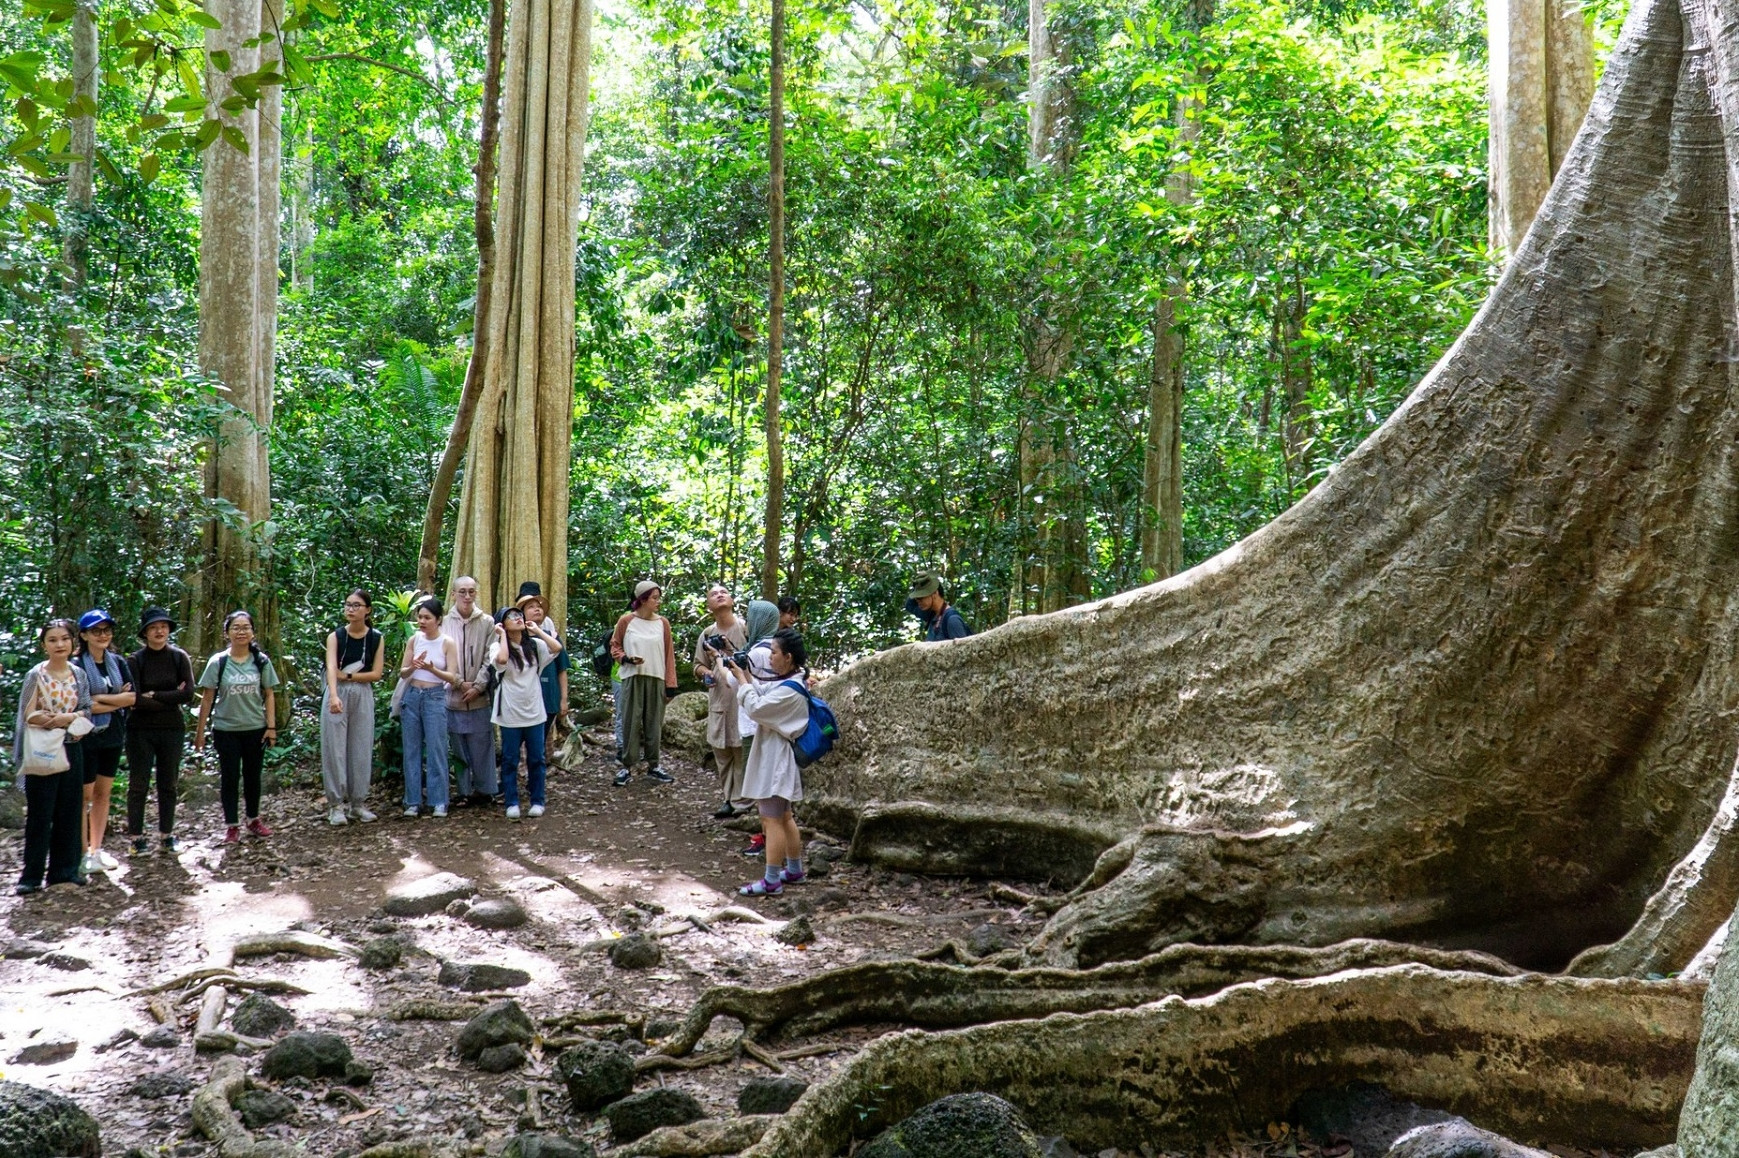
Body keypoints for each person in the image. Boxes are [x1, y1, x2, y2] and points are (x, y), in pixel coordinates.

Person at [724, 627, 811, 897]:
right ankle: (794, 870)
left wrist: (742, 680)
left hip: (776, 761)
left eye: (773, 652)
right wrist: (746, 676)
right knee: (785, 817)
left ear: (787, 657)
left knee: (771, 819)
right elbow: (764, 696)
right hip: (778, 757)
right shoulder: (792, 683)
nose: (770, 657)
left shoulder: (791, 690)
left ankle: (772, 879)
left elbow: (758, 709)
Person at [14, 619, 92, 894]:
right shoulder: (36, 675)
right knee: (40, 813)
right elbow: (27, 713)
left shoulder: (79, 674)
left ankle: (64, 872)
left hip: (72, 747)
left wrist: (69, 718)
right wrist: (55, 720)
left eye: (64, 639)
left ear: (73, 642)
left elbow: (86, 708)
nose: (59, 644)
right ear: (44, 645)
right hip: (42, 749)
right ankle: (31, 876)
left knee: (70, 811)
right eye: (52, 640)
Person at [194, 610, 280, 844]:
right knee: (229, 778)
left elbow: (270, 694)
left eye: (246, 627)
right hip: (225, 730)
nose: (241, 631)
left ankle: (253, 819)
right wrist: (199, 732)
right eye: (236, 627)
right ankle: (232, 825)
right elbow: (207, 698)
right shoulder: (218, 662)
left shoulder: (261, 661)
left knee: (253, 777)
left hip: (255, 729)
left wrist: (271, 727)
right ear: (227, 632)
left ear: (253, 632)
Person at [126, 607, 193, 855]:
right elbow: (134, 699)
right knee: (138, 784)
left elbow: (188, 694)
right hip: (140, 731)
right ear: (145, 632)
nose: (159, 631)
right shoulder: (135, 660)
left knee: (169, 784)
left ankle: (167, 835)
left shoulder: (179, 657)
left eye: (163, 626)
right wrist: (170, 697)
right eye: (154, 627)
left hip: (172, 729)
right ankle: (136, 838)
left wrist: (154, 695)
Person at [76, 609, 133, 875]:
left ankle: (97, 850)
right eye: (96, 631)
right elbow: (80, 705)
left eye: (107, 630)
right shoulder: (75, 666)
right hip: (85, 738)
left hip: (112, 736)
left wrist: (101, 701)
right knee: (83, 796)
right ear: (84, 635)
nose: (103, 635)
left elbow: (131, 699)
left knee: (102, 794)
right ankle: (81, 852)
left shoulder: (118, 663)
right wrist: (114, 700)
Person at [492, 604, 563, 818]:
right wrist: (503, 636)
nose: (517, 618)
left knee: (537, 758)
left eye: (518, 615)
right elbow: (502, 660)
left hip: (534, 711)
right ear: (502, 624)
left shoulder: (535, 645)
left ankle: (537, 800)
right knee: (510, 759)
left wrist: (537, 630)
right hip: (510, 712)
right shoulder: (497, 648)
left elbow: (556, 648)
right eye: (511, 616)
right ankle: (512, 802)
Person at [322, 590, 385, 825]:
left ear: (367, 610)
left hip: (362, 693)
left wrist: (347, 674)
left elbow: (376, 674)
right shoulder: (335, 636)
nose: (351, 609)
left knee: (361, 746)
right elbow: (331, 669)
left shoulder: (376, 637)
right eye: (348, 605)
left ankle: (358, 803)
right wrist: (334, 696)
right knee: (335, 748)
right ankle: (336, 805)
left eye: (356, 605)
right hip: (336, 692)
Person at [609, 580, 678, 786]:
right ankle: (626, 766)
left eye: (658, 597)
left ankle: (654, 765)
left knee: (654, 722)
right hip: (632, 677)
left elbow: (668, 654)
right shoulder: (626, 621)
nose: (658, 602)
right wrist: (626, 659)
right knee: (631, 721)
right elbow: (615, 646)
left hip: (656, 677)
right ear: (643, 600)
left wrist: (670, 684)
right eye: (654, 598)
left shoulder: (663, 623)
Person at [399, 597, 458, 818]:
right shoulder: (414, 640)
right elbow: (403, 672)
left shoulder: (447, 643)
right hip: (413, 696)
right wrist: (412, 666)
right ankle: (412, 801)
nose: (422, 621)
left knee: (436, 748)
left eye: (427, 617)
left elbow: (452, 677)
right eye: (420, 617)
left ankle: (439, 800)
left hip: (435, 696)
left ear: (438, 619)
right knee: (412, 749)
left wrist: (433, 669)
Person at [694, 585, 747, 818]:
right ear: (709, 605)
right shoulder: (706, 634)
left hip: (742, 698)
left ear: (733, 600)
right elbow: (698, 664)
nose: (719, 595)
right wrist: (705, 672)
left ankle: (742, 802)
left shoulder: (746, 628)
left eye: (724, 591)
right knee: (723, 752)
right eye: (713, 594)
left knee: (741, 750)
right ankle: (728, 798)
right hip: (719, 699)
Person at [443, 577, 497, 806]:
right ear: (453, 594)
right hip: (453, 696)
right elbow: (441, 656)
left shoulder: (487, 622)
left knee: (482, 744)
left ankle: (485, 790)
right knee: (458, 746)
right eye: (462, 592)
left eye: (471, 592)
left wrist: (478, 685)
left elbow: (490, 657)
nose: (467, 596)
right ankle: (464, 791)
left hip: (479, 696)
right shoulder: (444, 623)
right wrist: (457, 681)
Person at [517, 582, 570, 754]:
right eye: (531, 607)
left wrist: (563, 699)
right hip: (523, 700)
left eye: (539, 606)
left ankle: (538, 772)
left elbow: (562, 669)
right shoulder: (516, 639)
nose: (537, 609)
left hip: (549, 696)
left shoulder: (552, 637)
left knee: (541, 739)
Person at [905, 574, 972, 641]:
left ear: (935, 593)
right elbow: (909, 605)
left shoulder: (952, 620)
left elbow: (962, 649)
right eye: (916, 598)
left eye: (921, 597)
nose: (917, 601)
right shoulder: (932, 614)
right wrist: (919, 583)